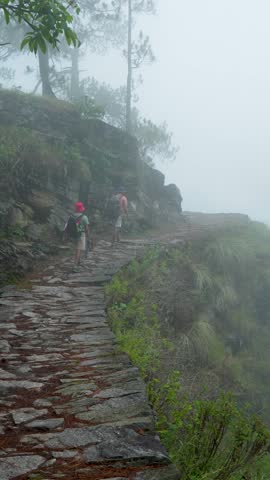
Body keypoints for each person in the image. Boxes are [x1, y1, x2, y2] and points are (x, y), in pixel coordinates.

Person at [64, 201, 89, 267]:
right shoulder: (84, 217)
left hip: (73, 235)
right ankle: (75, 266)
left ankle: (78, 262)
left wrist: (66, 236)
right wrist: (88, 235)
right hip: (81, 235)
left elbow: (67, 226)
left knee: (78, 248)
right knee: (78, 249)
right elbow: (87, 228)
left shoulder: (71, 216)